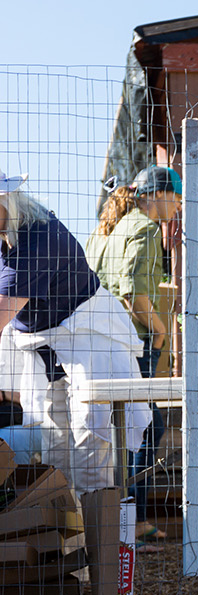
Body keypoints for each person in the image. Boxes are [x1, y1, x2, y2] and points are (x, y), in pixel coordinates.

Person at [0, 166, 150, 499]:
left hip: (87, 339)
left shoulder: (36, 240)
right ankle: (64, 535)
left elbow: (2, 311)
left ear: (6, 201)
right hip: (49, 346)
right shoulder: (8, 236)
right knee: (55, 440)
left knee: (89, 434)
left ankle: (98, 539)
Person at [85, 166, 182, 539]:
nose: (177, 206)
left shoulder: (108, 228)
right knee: (146, 426)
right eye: (175, 197)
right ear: (157, 193)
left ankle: (118, 516)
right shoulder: (143, 227)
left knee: (123, 428)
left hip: (102, 341)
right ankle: (133, 518)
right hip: (132, 341)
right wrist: (159, 334)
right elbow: (134, 294)